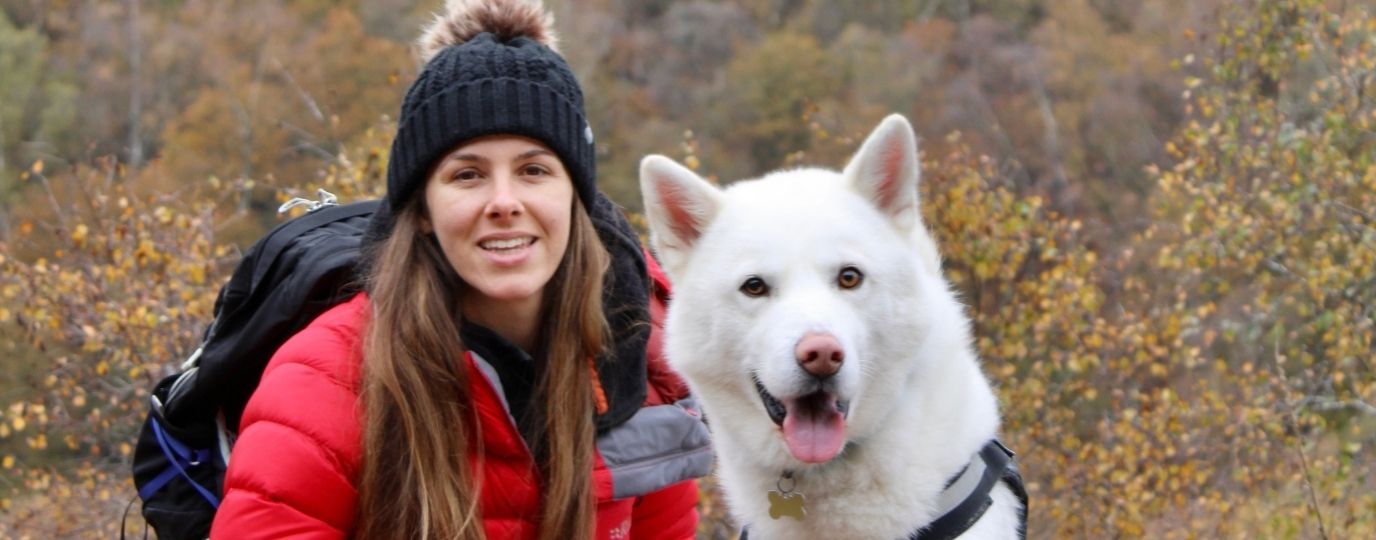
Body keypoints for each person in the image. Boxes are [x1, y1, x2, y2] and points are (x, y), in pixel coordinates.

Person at [208, 1, 711, 538]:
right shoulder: (325, 385)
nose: (504, 201)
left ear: (575, 197)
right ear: (422, 210)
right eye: (468, 175)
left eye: (534, 170)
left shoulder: (636, 362)